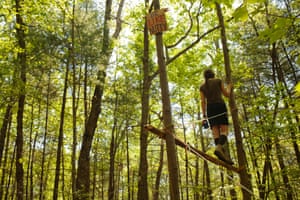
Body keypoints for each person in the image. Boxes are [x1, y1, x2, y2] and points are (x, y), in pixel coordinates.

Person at [199, 69, 233, 165]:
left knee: (216, 133)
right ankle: (219, 148)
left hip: (210, 109)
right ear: (213, 74)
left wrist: (204, 116)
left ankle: (221, 154)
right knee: (224, 131)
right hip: (220, 106)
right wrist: (229, 87)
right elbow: (226, 94)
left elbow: (203, 102)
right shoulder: (218, 81)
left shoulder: (202, 86)